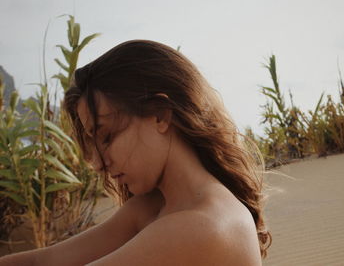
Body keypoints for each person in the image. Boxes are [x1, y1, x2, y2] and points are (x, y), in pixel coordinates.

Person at [0, 40, 271, 265]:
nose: (97, 163)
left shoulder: (203, 224)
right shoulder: (154, 206)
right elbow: (45, 261)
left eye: (106, 136)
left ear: (160, 115)